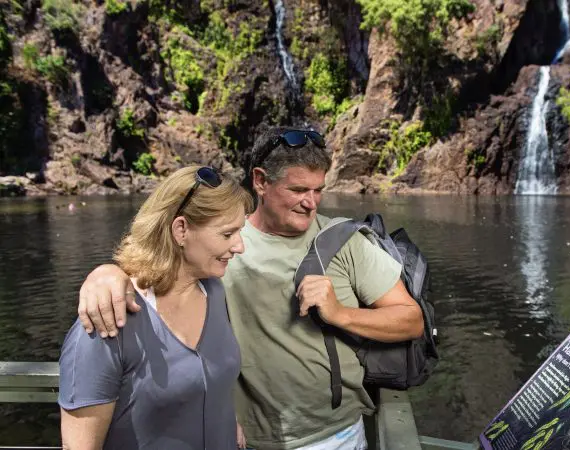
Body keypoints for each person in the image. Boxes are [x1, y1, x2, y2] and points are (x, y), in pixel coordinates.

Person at [75, 128, 424, 449]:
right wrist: (107, 274)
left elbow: (412, 320)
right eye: (298, 190)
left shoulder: (347, 241)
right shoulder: (220, 245)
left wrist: (341, 314)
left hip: (334, 436)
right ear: (260, 181)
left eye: (318, 190)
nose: (311, 202)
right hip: (240, 438)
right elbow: (159, 267)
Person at [60, 166, 253, 450]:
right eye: (227, 234)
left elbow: (205, 380)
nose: (240, 246)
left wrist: (226, 420)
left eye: (240, 231)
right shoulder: (107, 320)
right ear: (181, 229)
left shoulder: (213, 290)